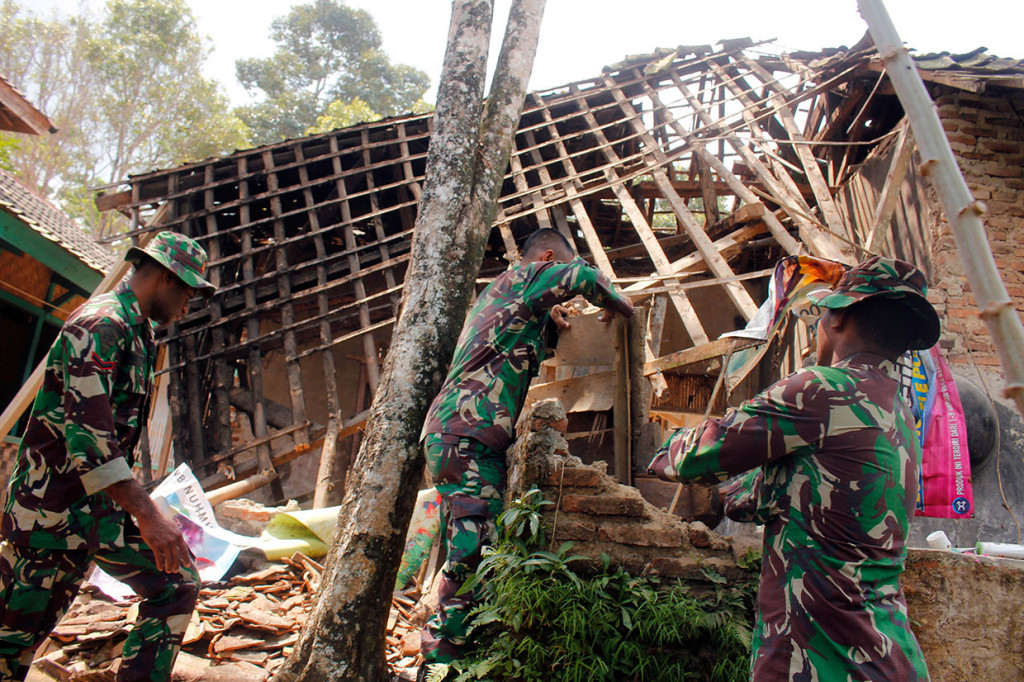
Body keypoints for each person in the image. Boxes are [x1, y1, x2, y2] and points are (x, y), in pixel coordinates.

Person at [648, 256, 936, 681]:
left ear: (835, 317)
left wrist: (666, 451)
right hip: (888, 654)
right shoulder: (898, 413)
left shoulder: (821, 390)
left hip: (819, 657)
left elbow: (691, 460)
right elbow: (788, 493)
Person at [0, 231, 216, 681]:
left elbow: (115, 438)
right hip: (49, 517)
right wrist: (147, 511)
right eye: (187, 293)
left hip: (96, 516)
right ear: (162, 277)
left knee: (176, 585)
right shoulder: (101, 325)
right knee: (12, 645)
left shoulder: (140, 335)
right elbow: (89, 438)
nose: (187, 306)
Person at [419, 228, 634, 664]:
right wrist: (620, 305)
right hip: (466, 434)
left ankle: (454, 656)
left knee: (473, 547)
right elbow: (582, 276)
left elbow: (516, 344)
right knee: (472, 556)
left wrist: (548, 321)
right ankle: (444, 663)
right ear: (547, 258)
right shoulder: (519, 278)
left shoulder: (512, 301)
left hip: (461, 436)